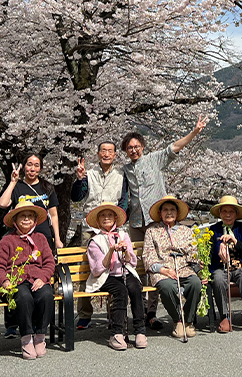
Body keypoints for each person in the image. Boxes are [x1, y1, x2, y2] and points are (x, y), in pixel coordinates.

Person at [121, 115, 206, 329]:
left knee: (158, 263)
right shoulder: (125, 169)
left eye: (137, 146)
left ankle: (152, 313)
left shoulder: (154, 159)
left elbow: (174, 147)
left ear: (143, 147)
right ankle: (139, 310)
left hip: (156, 219)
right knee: (139, 265)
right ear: (125, 150)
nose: (134, 150)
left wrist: (194, 132)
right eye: (130, 147)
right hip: (135, 221)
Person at [0, 150, 61, 337]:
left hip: (42, 237)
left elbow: (54, 214)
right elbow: (3, 204)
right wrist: (13, 181)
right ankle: (11, 324)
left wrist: (57, 238)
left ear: (40, 168)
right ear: (24, 166)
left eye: (36, 165)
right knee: (16, 272)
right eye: (29, 164)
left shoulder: (47, 188)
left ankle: (35, 325)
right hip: (19, 237)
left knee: (37, 277)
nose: (32, 168)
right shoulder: (17, 186)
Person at [71, 141, 128, 330]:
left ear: (115, 155)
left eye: (110, 151)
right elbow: (76, 197)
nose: (106, 154)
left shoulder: (121, 175)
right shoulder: (90, 174)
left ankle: (114, 314)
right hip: (90, 227)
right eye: (103, 151)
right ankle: (85, 314)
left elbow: (124, 201)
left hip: (113, 227)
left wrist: (118, 222)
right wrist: (79, 180)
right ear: (98, 154)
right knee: (85, 268)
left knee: (115, 267)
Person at [0, 201, 56, 359]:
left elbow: (49, 263)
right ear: (15, 220)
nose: (26, 219)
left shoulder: (40, 238)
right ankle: (26, 338)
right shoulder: (7, 240)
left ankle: (40, 336)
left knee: (47, 295)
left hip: (37, 279)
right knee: (24, 297)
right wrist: (5, 281)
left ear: (35, 220)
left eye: (29, 216)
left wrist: (43, 277)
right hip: (15, 281)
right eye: (22, 216)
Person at [84, 203, 147, 350]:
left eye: (110, 215)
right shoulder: (94, 241)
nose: (107, 218)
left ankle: (140, 330)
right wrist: (111, 250)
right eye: (103, 216)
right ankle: (116, 333)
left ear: (115, 219)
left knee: (135, 287)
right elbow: (97, 269)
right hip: (106, 276)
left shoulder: (124, 235)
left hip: (124, 271)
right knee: (121, 291)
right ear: (98, 221)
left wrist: (125, 251)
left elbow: (132, 262)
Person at [142, 196, 203, 340]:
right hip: (163, 270)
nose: (169, 213)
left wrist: (197, 262)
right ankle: (178, 320)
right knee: (166, 287)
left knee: (195, 284)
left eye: (172, 210)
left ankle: (188, 320)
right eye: (165, 210)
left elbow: (193, 252)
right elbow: (148, 255)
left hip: (183, 268)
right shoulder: (152, 231)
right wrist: (163, 270)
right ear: (160, 213)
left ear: (177, 213)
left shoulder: (186, 231)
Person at [207, 195, 242, 334]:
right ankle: (224, 316)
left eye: (231, 212)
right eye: (224, 211)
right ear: (220, 213)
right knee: (217, 279)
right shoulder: (213, 229)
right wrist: (219, 249)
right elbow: (209, 254)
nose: (227, 215)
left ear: (236, 214)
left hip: (239, 266)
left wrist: (235, 241)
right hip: (220, 268)